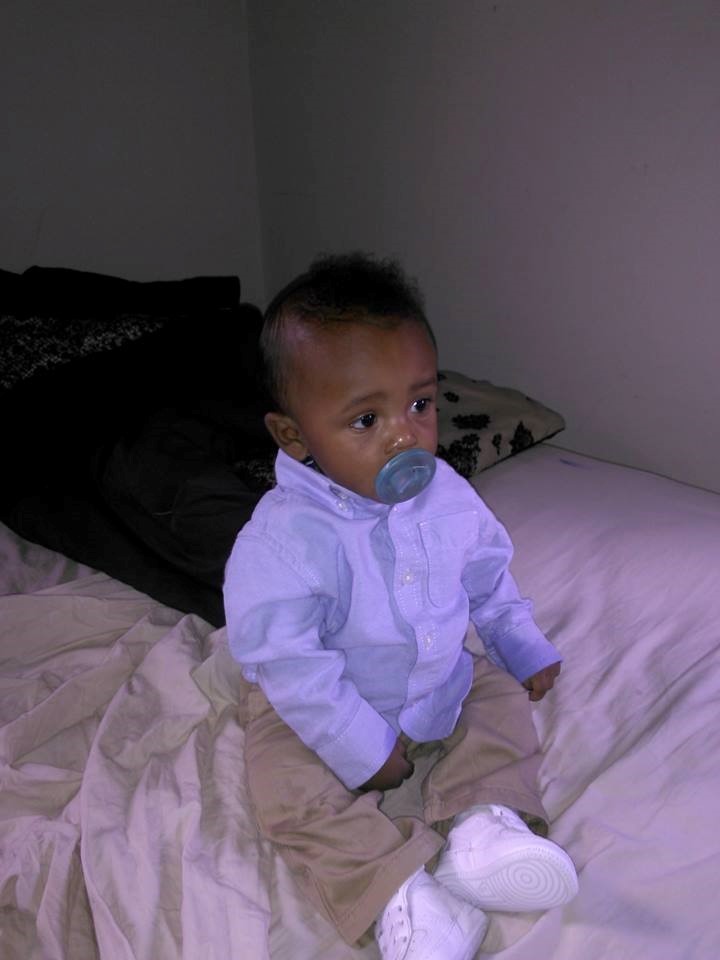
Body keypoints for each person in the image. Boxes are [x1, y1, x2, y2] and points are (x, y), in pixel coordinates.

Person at [223, 253, 578, 960]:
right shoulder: (282, 542)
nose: (404, 435)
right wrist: (357, 743)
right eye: (366, 418)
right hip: (320, 707)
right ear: (295, 436)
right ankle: (399, 893)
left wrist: (518, 642)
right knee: (283, 787)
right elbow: (289, 661)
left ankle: (482, 829)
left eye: (419, 404)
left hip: (438, 678)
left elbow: (486, 574)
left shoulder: (447, 494)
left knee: (498, 702)